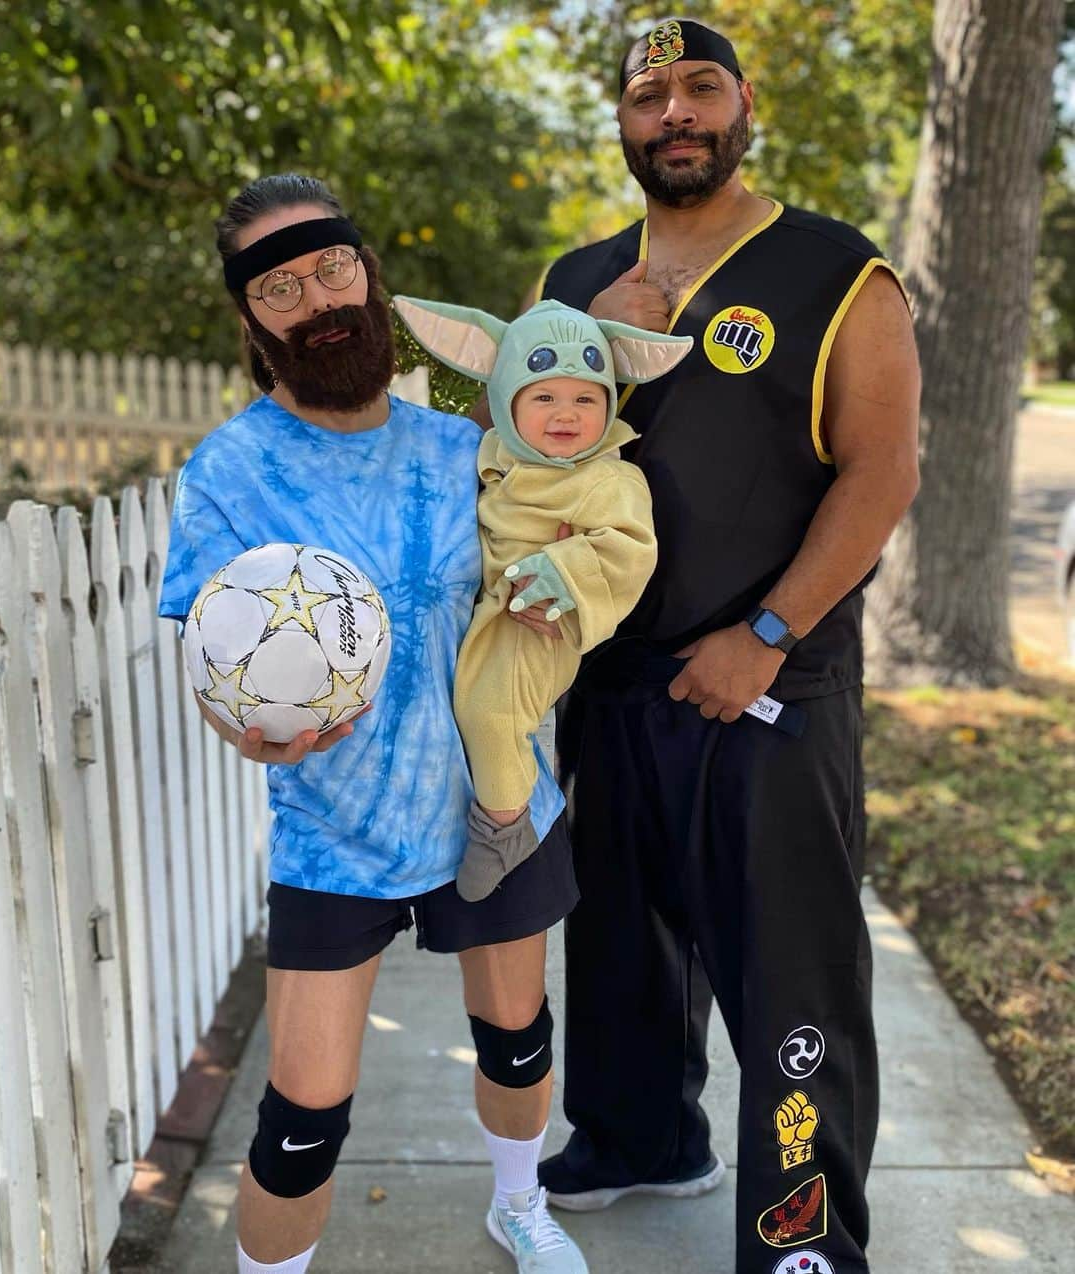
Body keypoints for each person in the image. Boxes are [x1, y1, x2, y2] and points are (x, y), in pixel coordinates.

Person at [515, 19, 921, 1274]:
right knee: (623, 944)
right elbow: (530, 461)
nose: (675, 112)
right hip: (613, 684)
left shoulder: (834, 271)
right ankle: (638, 1135)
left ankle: (802, 1230)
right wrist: (605, 336)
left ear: (742, 105)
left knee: (791, 978)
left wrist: (765, 632)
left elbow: (881, 471)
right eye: (650, 95)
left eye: (699, 88)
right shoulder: (575, 281)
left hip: (769, 684)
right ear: (625, 123)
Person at [158, 173, 590, 1274]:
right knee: (302, 1124)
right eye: (280, 284)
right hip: (335, 830)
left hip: (494, 806)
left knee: (519, 1039)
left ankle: (517, 1199)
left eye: (331, 265)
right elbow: (212, 658)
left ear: (370, 271)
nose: (317, 298)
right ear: (253, 319)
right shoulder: (231, 469)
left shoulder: (467, 449)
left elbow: (570, 550)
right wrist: (247, 728)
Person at [393, 295, 691, 900]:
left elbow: (631, 547)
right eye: (543, 397)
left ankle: (505, 828)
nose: (566, 414)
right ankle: (498, 799)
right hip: (487, 612)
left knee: (493, 712)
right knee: (465, 707)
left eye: (586, 398)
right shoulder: (495, 455)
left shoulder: (607, 477)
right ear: (507, 401)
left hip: (538, 619)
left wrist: (565, 572)